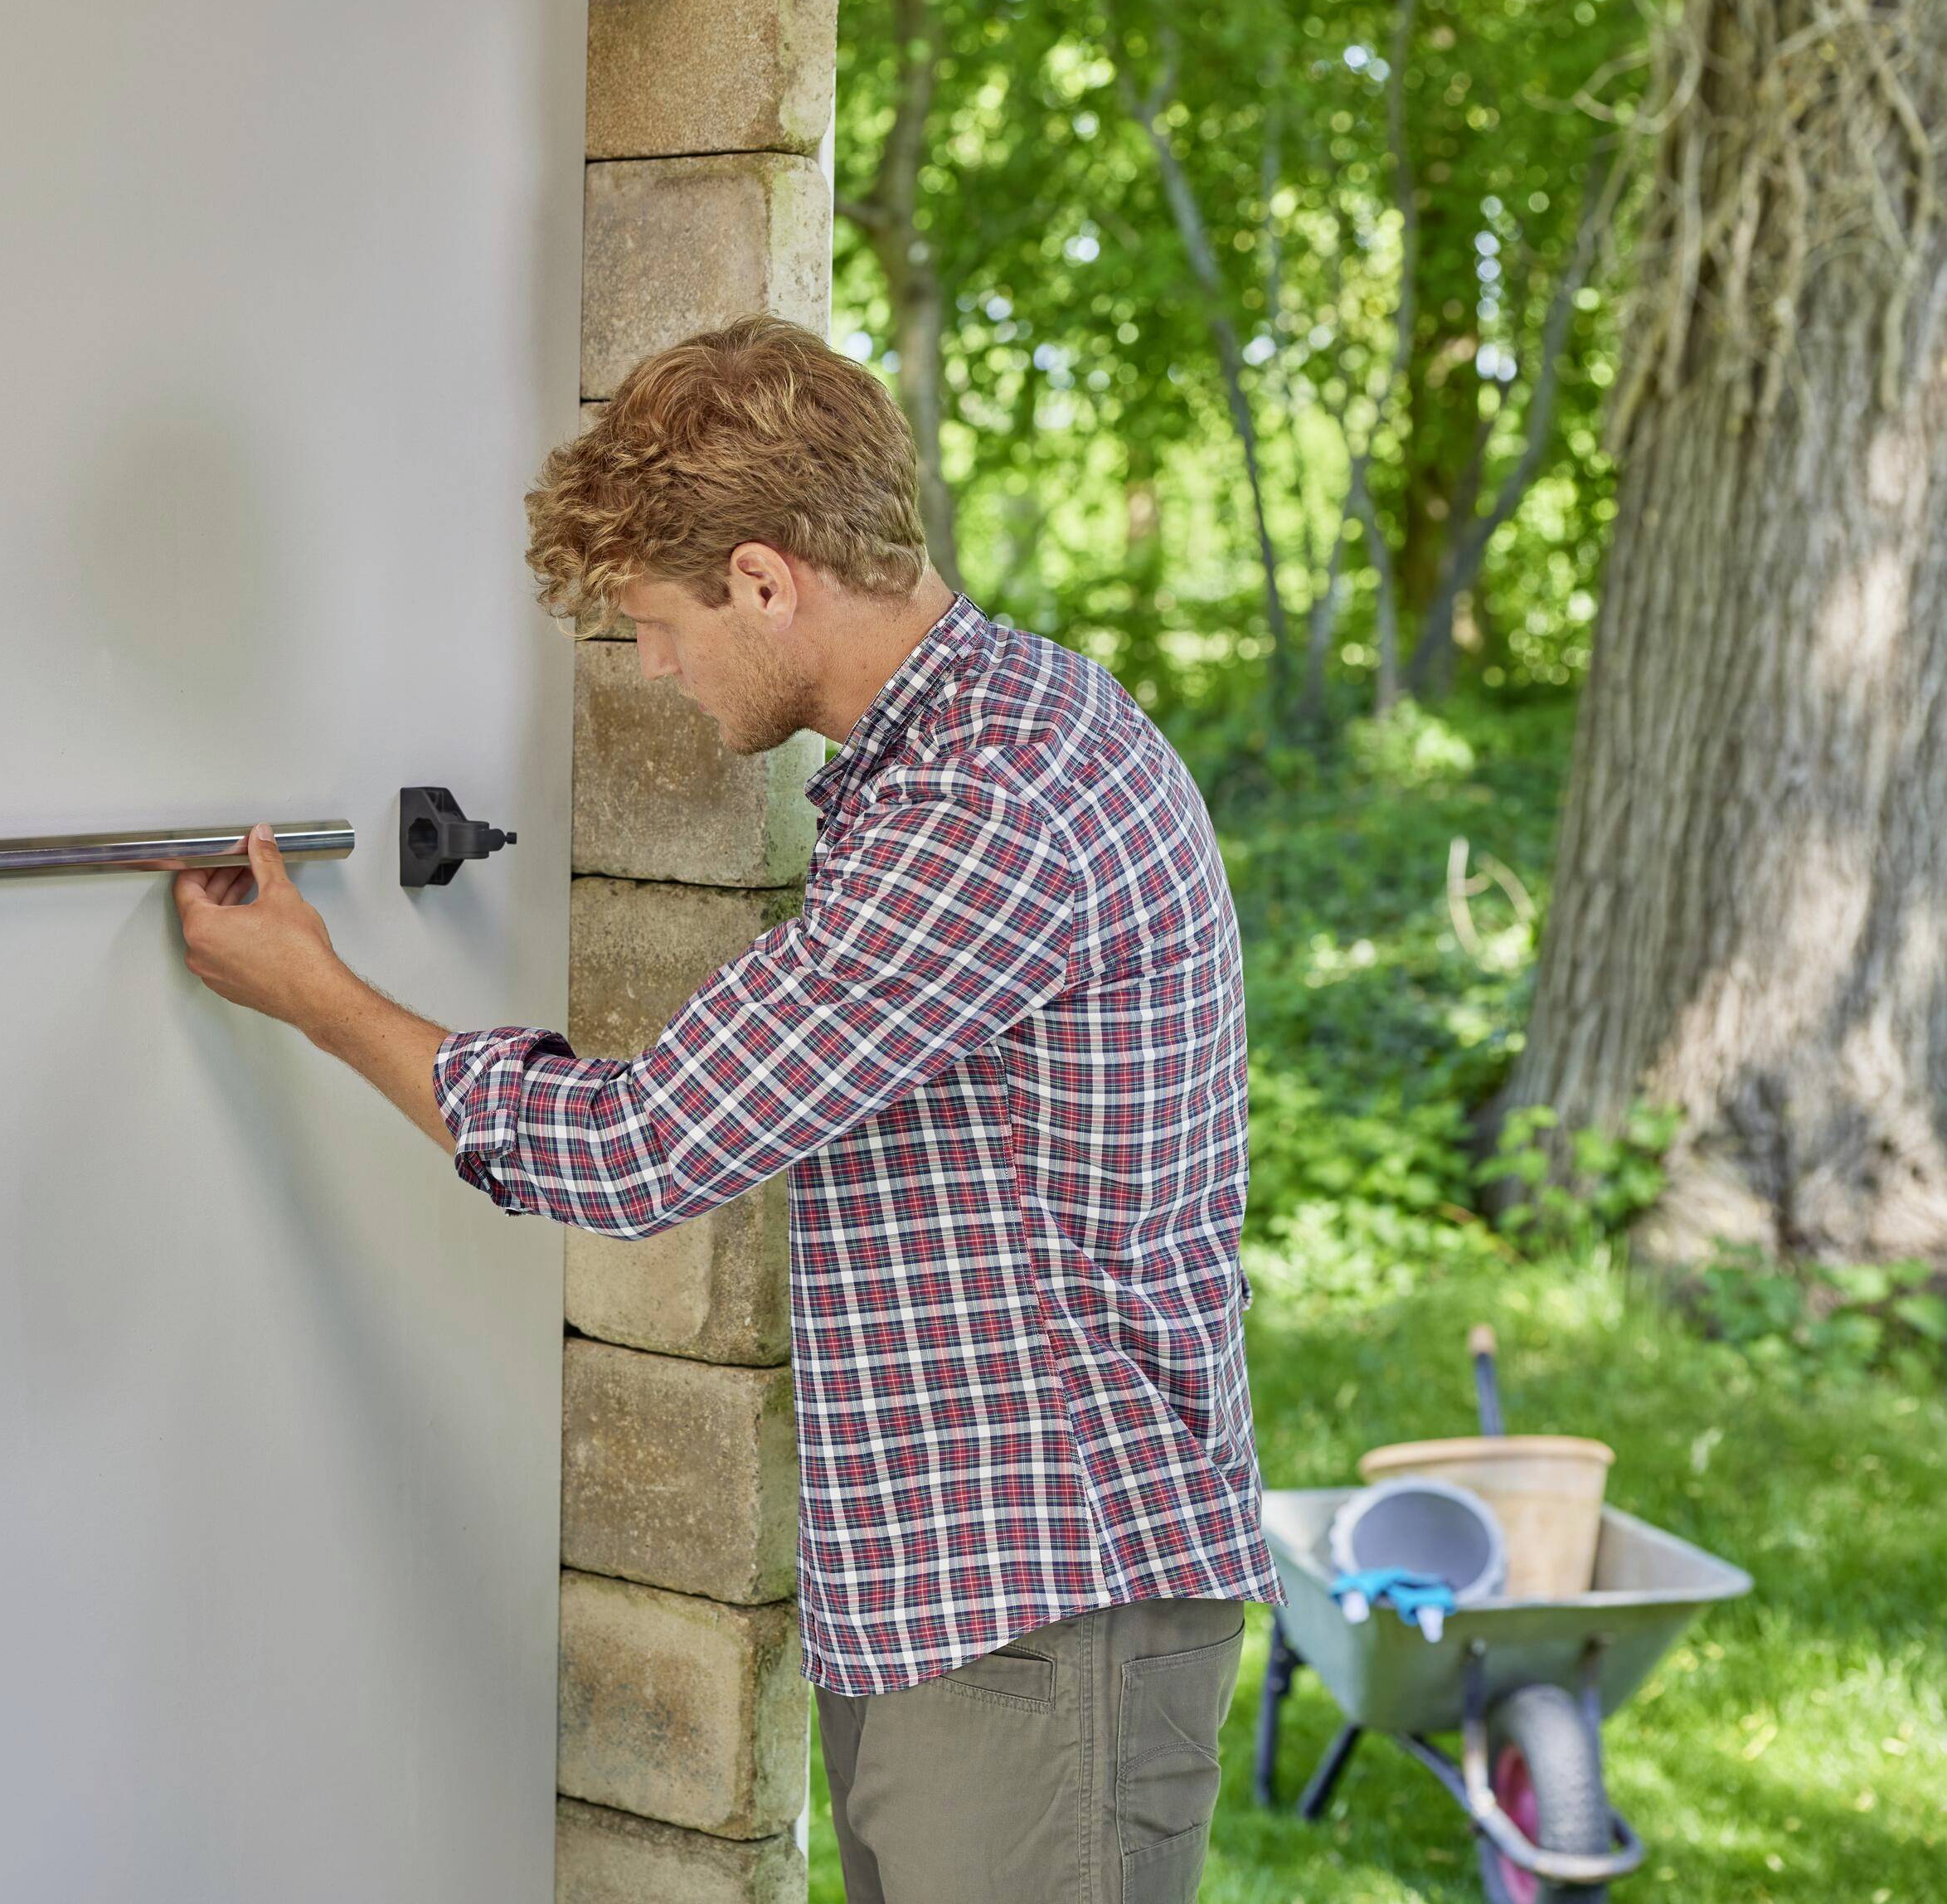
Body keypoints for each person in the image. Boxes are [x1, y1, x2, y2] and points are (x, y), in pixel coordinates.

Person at [172, 314, 1280, 1904]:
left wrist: (320, 995)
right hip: (978, 1604)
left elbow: (637, 1151)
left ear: (766, 578)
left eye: (658, 624)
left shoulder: (984, 809)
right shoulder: (981, 747)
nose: (664, 671)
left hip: (1044, 1611)